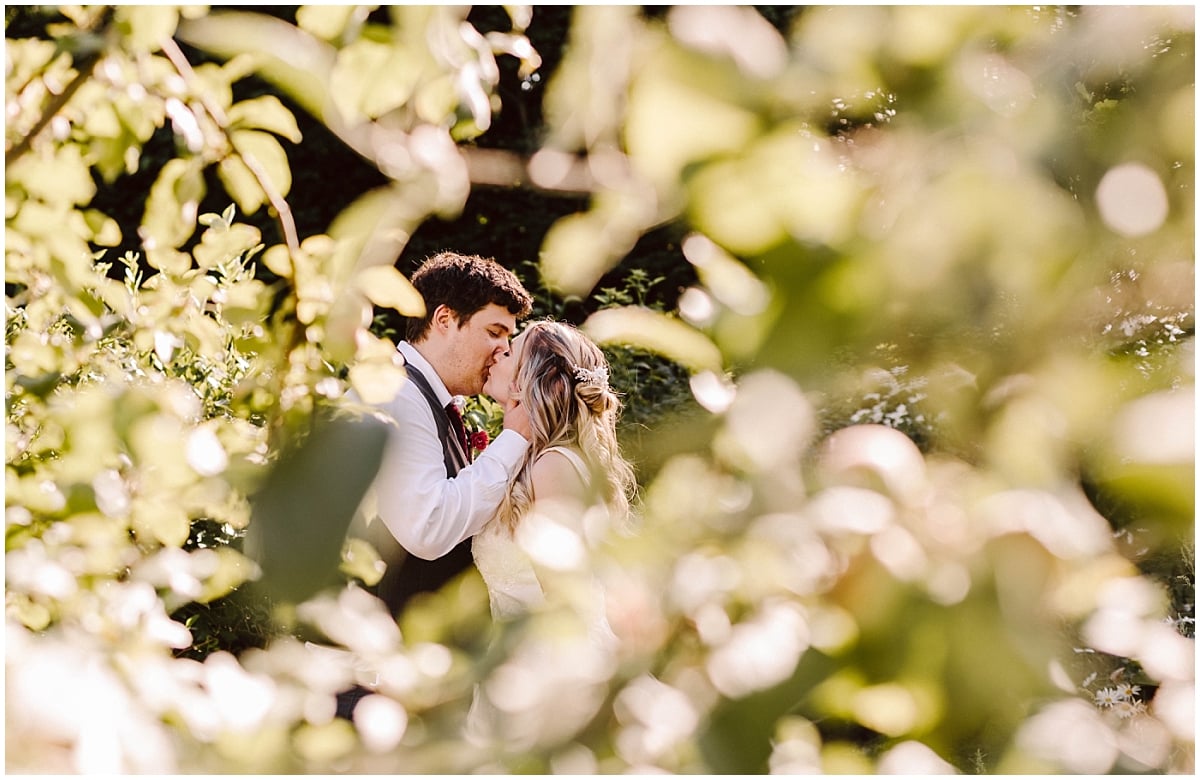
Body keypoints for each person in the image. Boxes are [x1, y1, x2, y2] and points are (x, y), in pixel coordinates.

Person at [351, 250, 534, 617]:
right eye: (494, 332)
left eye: (508, 338)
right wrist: (513, 440)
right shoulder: (397, 394)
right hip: (378, 640)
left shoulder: (421, 395)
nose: (504, 350)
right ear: (445, 320)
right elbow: (428, 528)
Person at [472, 319, 637, 626]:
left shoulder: (553, 466)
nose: (496, 354)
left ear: (537, 380)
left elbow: (565, 602)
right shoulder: (540, 460)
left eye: (508, 354)